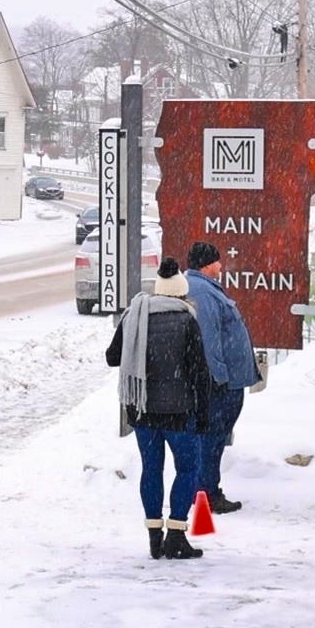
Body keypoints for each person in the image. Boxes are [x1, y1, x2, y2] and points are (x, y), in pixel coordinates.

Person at [105, 258, 211, 560]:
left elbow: (112, 357)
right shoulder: (187, 320)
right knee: (188, 469)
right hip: (179, 413)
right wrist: (203, 414)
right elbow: (199, 373)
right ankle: (176, 535)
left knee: (152, 469)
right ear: (180, 293)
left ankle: (154, 536)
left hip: (142, 409)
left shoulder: (134, 317)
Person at [185, 240, 255, 515]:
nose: (221, 265)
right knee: (211, 441)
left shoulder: (204, 288)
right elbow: (209, 338)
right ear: (207, 264)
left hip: (223, 381)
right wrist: (220, 377)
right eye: (217, 261)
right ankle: (206, 493)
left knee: (212, 440)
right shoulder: (202, 292)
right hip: (219, 384)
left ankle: (205, 490)